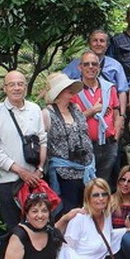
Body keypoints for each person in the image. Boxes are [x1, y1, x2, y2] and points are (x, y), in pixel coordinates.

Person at [0, 70, 46, 232]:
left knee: (37, 225)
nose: (16, 88)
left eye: (20, 84)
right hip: (8, 181)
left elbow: (43, 141)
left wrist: (40, 169)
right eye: (12, 85)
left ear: (25, 87)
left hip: (34, 180)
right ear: (5, 88)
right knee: (15, 229)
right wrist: (20, 171)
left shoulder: (34, 109)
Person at [42, 73, 96, 214]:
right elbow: (42, 142)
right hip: (64, 172)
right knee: (69, 210)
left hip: (85, 169)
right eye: (67, 89)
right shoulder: (47, 114)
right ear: (58, 93)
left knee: (87, 209)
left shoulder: (75, 109)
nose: (71, 91)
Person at [73, 50, 121, 182]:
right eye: (86, 64)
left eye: (94, 64)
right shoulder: (74, 90)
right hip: (84, 146)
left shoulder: (109, 88)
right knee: (86, 184)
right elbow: (72, 121)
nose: (90, 67)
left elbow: (117, 114)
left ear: (99, 67)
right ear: (80, 67)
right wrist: (93, 110)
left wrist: (116, 137)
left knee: (103, 183)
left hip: (108, 144)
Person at [64, 31, 129, 121]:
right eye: (95, 40)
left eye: (102, 41)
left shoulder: (115, 65)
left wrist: (122, 115)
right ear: (89, 44)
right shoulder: (76, 64)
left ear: (107, 46)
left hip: (109, 113)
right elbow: (62, 83)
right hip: (82, 112)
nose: (98, 43)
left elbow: (122, 91)